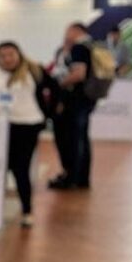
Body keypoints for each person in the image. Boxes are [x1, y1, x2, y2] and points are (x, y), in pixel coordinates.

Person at [0, 42, 54, 227]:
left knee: (20, 168)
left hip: (27, 125)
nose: (7, 59)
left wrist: (49, 113)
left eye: (11, 54)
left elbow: (54, 88)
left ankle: (27, 210)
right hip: (1, 124)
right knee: (1, 167)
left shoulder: (34, 70)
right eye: (3, 56)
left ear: (19, 54)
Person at [50, 22, 96, 190]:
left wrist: (58, 85)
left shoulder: (79, 48)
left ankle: (71, 177)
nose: (66, 35)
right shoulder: (91, 47)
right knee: (81, 138)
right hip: (85, 99)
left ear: (77, 31)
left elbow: (78, 74)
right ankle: (81, 177)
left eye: (68, 31)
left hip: (74, 100)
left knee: (70, 138)